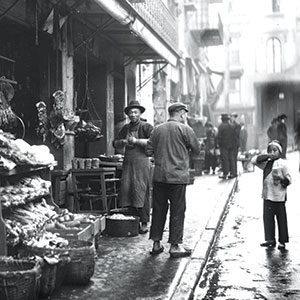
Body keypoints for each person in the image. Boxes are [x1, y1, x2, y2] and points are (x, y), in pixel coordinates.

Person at [146, 102, 200, 258]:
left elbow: (149, 150)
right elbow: (196, 149)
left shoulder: (157, 130)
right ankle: (175, 246)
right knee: (177, 210)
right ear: (181, 113)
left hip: (159, 176)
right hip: (177, 176)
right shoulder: (185, 129)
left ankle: (156, 243)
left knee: (158, 209)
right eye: (185, 114)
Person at [113, 100, 153, 234]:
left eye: (135, 112)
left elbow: (153, 142)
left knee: (141, 190)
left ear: (140, 113)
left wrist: (137, 141)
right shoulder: (125, 128)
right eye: (131, 112)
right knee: (128, 190)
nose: (133, 115)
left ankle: (144, 222)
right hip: (128, 162)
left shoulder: (147, 127)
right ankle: (132, 221)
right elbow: (115, 143)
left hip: (142, 162)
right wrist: (123, 142)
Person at [251, 140, 291, 250]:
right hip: (268, 195)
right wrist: (266, 156)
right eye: (270, 150)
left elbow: (289, 179)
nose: (273, 152)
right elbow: (254, 161)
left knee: (281, 219)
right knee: (268, 218)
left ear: (280, 152)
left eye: (275, 150)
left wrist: (282, 179)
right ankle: (270, 239)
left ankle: (282, 241)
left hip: (279, 197)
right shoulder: (266, 164)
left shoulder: (283, 164)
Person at [217, 114, 237, 179]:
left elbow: (219, 136)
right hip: (232, 145)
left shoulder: (221, 127)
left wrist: (218, 144)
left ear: (222, 119)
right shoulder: (232, 126)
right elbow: (235, 136)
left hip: (224, 145)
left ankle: (225, 173)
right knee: (232, 159)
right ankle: (233, 173)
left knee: (225, 159)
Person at [230, 112, 241, 176]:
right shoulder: (231, 125)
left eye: (232, 117)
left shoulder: (237, 125)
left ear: (235, 117)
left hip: (235, 144)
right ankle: (233, 172)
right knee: (231, 158)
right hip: (231, 144)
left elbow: (236, 134)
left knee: (233, 158)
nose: (231, 118)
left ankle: (234, 172)